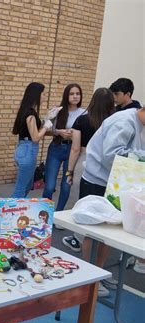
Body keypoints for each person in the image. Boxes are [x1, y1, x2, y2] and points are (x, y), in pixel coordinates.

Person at [77, 107, 145, 295]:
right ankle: (87, 279)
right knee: (94, 232)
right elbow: (111, 155)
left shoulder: (140, 124)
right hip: (98, 180)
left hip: (115, 184)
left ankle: (97, 274)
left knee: (109, 232)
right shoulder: (124, 121)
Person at [62, 88, 115, 252]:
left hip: (85, 159)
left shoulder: (83, 120)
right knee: (103, 201)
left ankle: (78, 239)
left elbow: (75, 149)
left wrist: (69, 171)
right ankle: (100, 238)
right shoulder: (114, 121)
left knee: (82, 200)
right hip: (108, 164)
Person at [42, 84, 86, 212]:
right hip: (56, 149)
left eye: (77, 93)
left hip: (72, 152)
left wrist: (75, 136)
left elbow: (86, 133)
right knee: (49, 186)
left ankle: (58, 214)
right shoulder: (58, 110)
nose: (75, 96)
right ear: (66, 95)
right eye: (72, 94)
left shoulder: (84, 113)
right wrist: (58, 132)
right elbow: (46, 130)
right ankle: (44, 214)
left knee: (66, 185)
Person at [11, 82, 54, 198]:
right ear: (36, 95)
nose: (45, 97)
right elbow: (35, 137)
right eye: (44, 94)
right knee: (21, 188)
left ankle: (15, 209)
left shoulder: (28, 111)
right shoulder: (30, 114)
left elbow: (34, 132)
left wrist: (46, 120)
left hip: (24, 149)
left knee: (28, 184)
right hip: (27, 150)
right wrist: (46, 125)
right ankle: (8, 212)